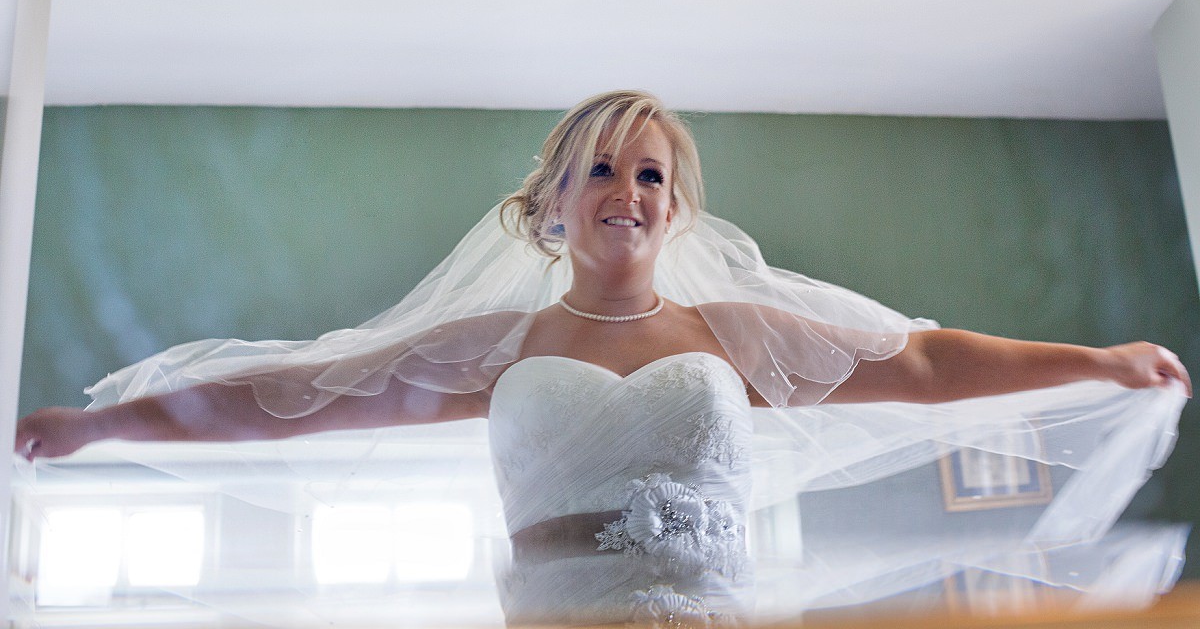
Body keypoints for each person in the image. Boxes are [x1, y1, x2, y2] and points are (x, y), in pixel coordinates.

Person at [13, 90, 1192, 624]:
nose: (625, 190)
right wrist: (99, 425)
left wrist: (1096, 357)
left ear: (675, 207)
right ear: (553, 204)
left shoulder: (737, 333)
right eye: (599, 169)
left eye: (650, 172)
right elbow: (285, 402)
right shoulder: (499, 344)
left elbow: (923, 364)